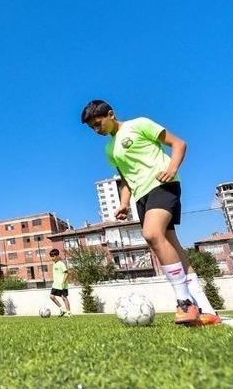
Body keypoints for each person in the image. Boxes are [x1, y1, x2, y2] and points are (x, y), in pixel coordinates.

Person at [81, 100, 220, 326]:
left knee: (152, 234)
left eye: (98, 124)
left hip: (163, 185)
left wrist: (172, 169)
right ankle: (207, 309)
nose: (97, 130)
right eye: (92, 128)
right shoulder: (110, 149)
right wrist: (124, 203)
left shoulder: (139, 124)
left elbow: (179, 144)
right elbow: (125, 179)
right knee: (172, 245)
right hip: (141, 197)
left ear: (110, 114)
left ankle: (184, 301)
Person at [48, 249, 71, 317]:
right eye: (51, 257)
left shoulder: (61, 264)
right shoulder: (54, 263)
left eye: (53, 256)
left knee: (64, 297)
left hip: (62, 284)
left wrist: (63, 282)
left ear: (57, 256)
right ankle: (62, 309)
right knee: (51, 296)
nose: (52, 258)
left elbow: (66, 273)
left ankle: (69, 313)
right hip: (55, 284)